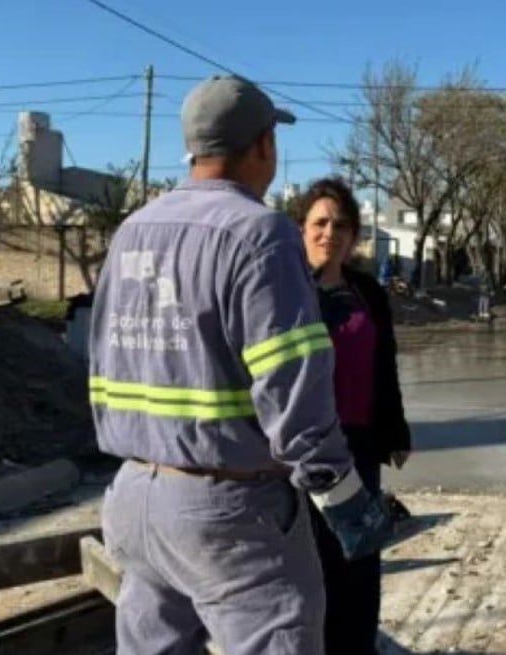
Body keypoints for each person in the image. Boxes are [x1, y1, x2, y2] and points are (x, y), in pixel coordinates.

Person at [89, 75, 391, 655]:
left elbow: (101, 358)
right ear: (262, 147)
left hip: (133, 498)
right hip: (229, 512)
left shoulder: (132, 231)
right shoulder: (260, 234)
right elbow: (292, 385)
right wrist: (343, 494)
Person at [292, 177, 414, 655]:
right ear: (301, 229)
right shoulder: (285, 291)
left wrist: (397, 429)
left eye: (341, 224)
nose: (330, 233)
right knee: (310, 564)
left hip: (359, 445)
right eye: (320, 223)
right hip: (303, 448)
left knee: (359, 557)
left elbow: (385, 365)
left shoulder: (367, 291)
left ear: (354, 234)